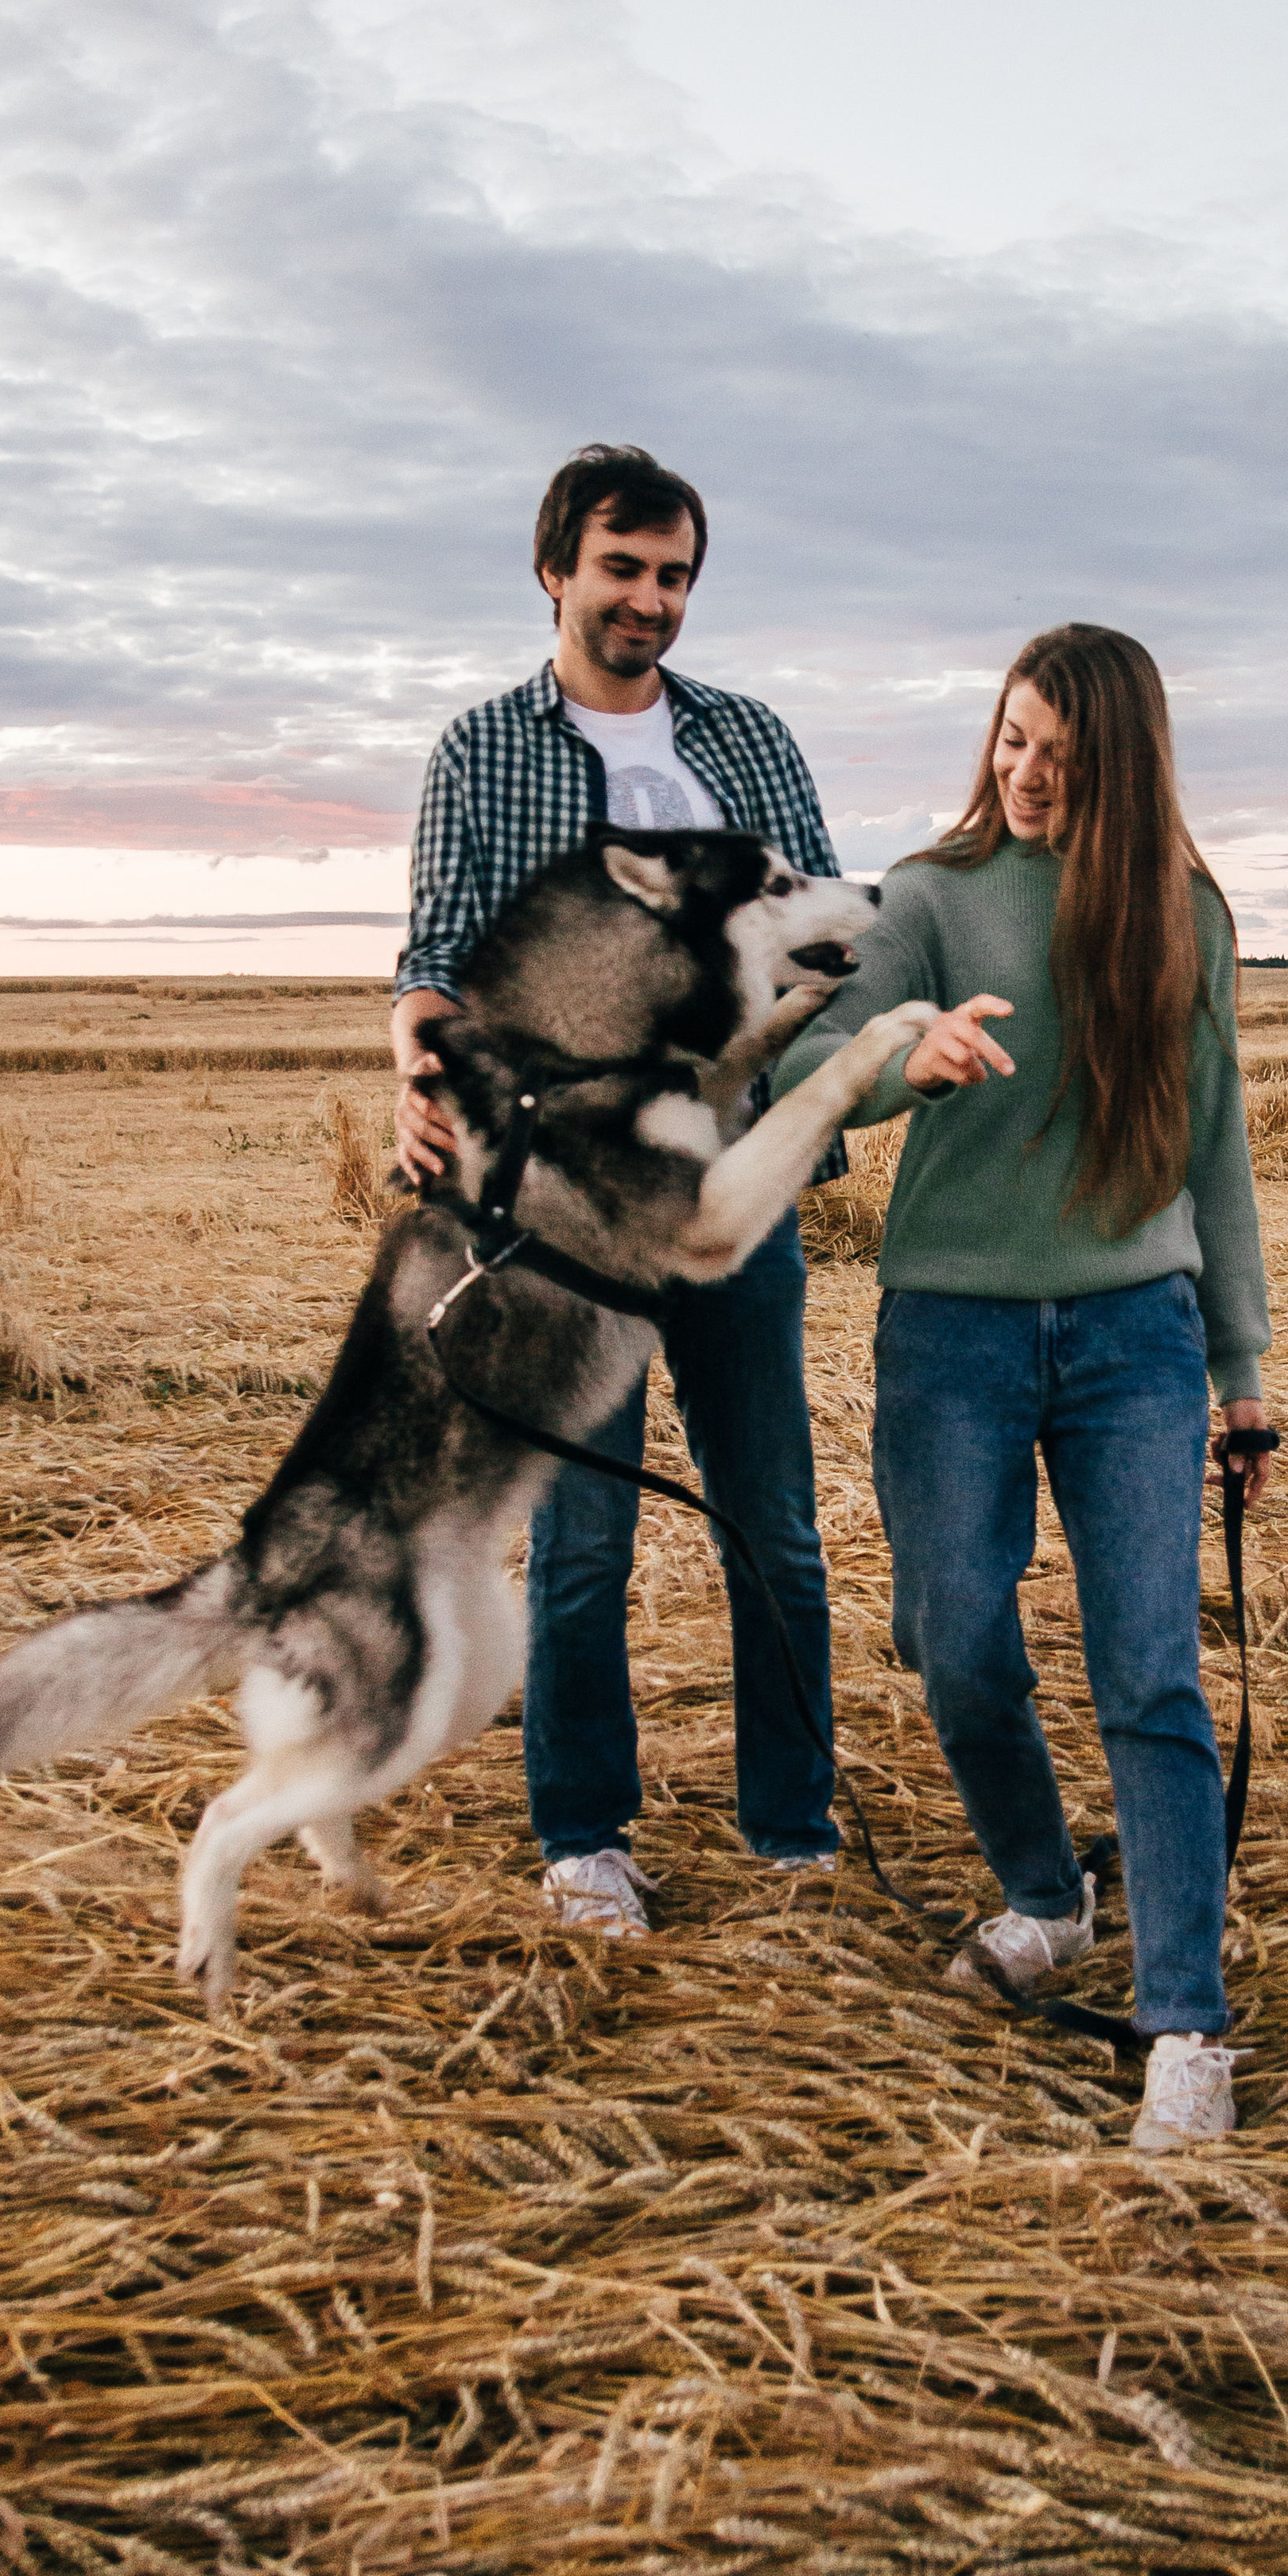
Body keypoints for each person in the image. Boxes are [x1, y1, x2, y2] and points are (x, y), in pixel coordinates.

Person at [772, 624, 1274, 2153]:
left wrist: (1244, 1371)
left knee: (1150, 1672)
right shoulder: (929, 897)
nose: (1028, 771)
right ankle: (1046, 1895)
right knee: (955, 1636)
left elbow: (1218, 1147)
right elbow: (827, 1044)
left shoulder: (1184, 912)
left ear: (1121, 757)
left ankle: (1185, 2024)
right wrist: (901, 1056)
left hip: (1138, 1338)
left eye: (1060, 747)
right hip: (955, 1336)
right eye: (1010, 738)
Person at [391, 442, 844, 1935]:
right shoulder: (481, 752)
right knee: (584, 1530)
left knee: (770, 1515)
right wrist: (423, 1068)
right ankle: (585, 1834)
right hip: (564, 1216)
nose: (650, 600)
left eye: (674, 577)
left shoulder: (751, 742)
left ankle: (793, 1817)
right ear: (555, 573)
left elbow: (828, 932)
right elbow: (436, 963)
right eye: (623, 571)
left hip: (727, 1200)